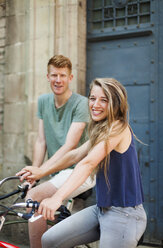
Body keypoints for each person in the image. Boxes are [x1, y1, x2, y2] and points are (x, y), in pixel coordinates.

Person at [19, 78, 147, 248]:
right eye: (92, 98)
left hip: (125, 215)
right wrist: (40, 171)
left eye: (104, 100)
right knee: (49, 240)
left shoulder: (118, 127)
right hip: (101, 210)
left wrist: (57, 197)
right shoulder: (100, 129)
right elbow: (75, 155)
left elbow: (87, 163)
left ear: (116, 104)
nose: (95, 105)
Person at [18, 55, 95, 248]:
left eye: (62, 75)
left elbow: (70, 145)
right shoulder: (44, 101)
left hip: (79, 170)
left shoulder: (81, 104)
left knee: (33, 197)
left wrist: (41, 171)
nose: (58, 80)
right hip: (57, 171)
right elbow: (41, 140)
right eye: (54, 75)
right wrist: (34, 173)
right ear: (47, 76)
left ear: (70, 78)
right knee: (36, 200)